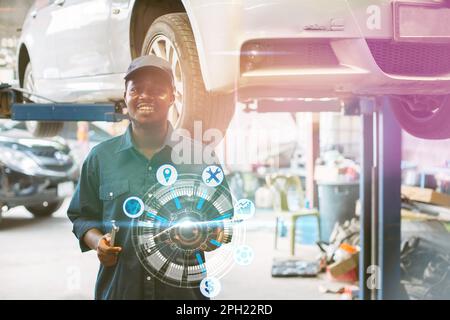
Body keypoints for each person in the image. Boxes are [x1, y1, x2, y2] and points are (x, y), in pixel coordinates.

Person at [67, 55, 230, 300]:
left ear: (173, 97)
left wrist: (211, 237)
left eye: (156, 90)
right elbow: (82, 216)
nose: (145, 96)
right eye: (136, 90)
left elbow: (224, 222)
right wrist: (98, 242)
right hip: (120, 291)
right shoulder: (101, 158)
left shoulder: (201, 158)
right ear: (126, 96)